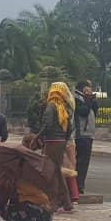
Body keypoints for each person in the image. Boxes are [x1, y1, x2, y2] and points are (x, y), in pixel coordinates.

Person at [33, 82, 75, 213]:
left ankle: (57, 201)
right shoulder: (63, 106)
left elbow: (47, 124)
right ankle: (66, 202)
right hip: (60, 141)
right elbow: (69, 128)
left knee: (52, 171)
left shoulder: (51, 106)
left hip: (52, 141)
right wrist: (64, 138)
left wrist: (38, 137)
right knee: (56, 170)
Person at [73, 80, 98, 195]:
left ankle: (80, 185)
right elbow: (83, 112)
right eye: (89, 87)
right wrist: (87, 99)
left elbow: (95, 110)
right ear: (84, 88)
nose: (91, 89)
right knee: (80, 162)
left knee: (84, 162)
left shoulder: (86, 98)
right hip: (80, 135)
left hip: (89, 134)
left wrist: (92, 99)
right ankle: (77, 186)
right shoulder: (76, 98)